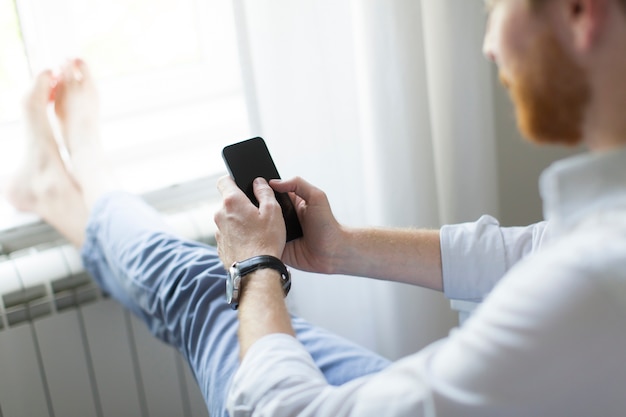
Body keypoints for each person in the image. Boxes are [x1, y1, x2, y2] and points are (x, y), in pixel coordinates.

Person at [6, 0, 626, 415]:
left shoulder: (594, 283)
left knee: (204, 288)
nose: (490, 44)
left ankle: (80, 175)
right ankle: (68, 190)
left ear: (578, 12)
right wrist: (343, 246)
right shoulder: (597, 250)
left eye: (497, 5)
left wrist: (254, 271)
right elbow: (533, 252)